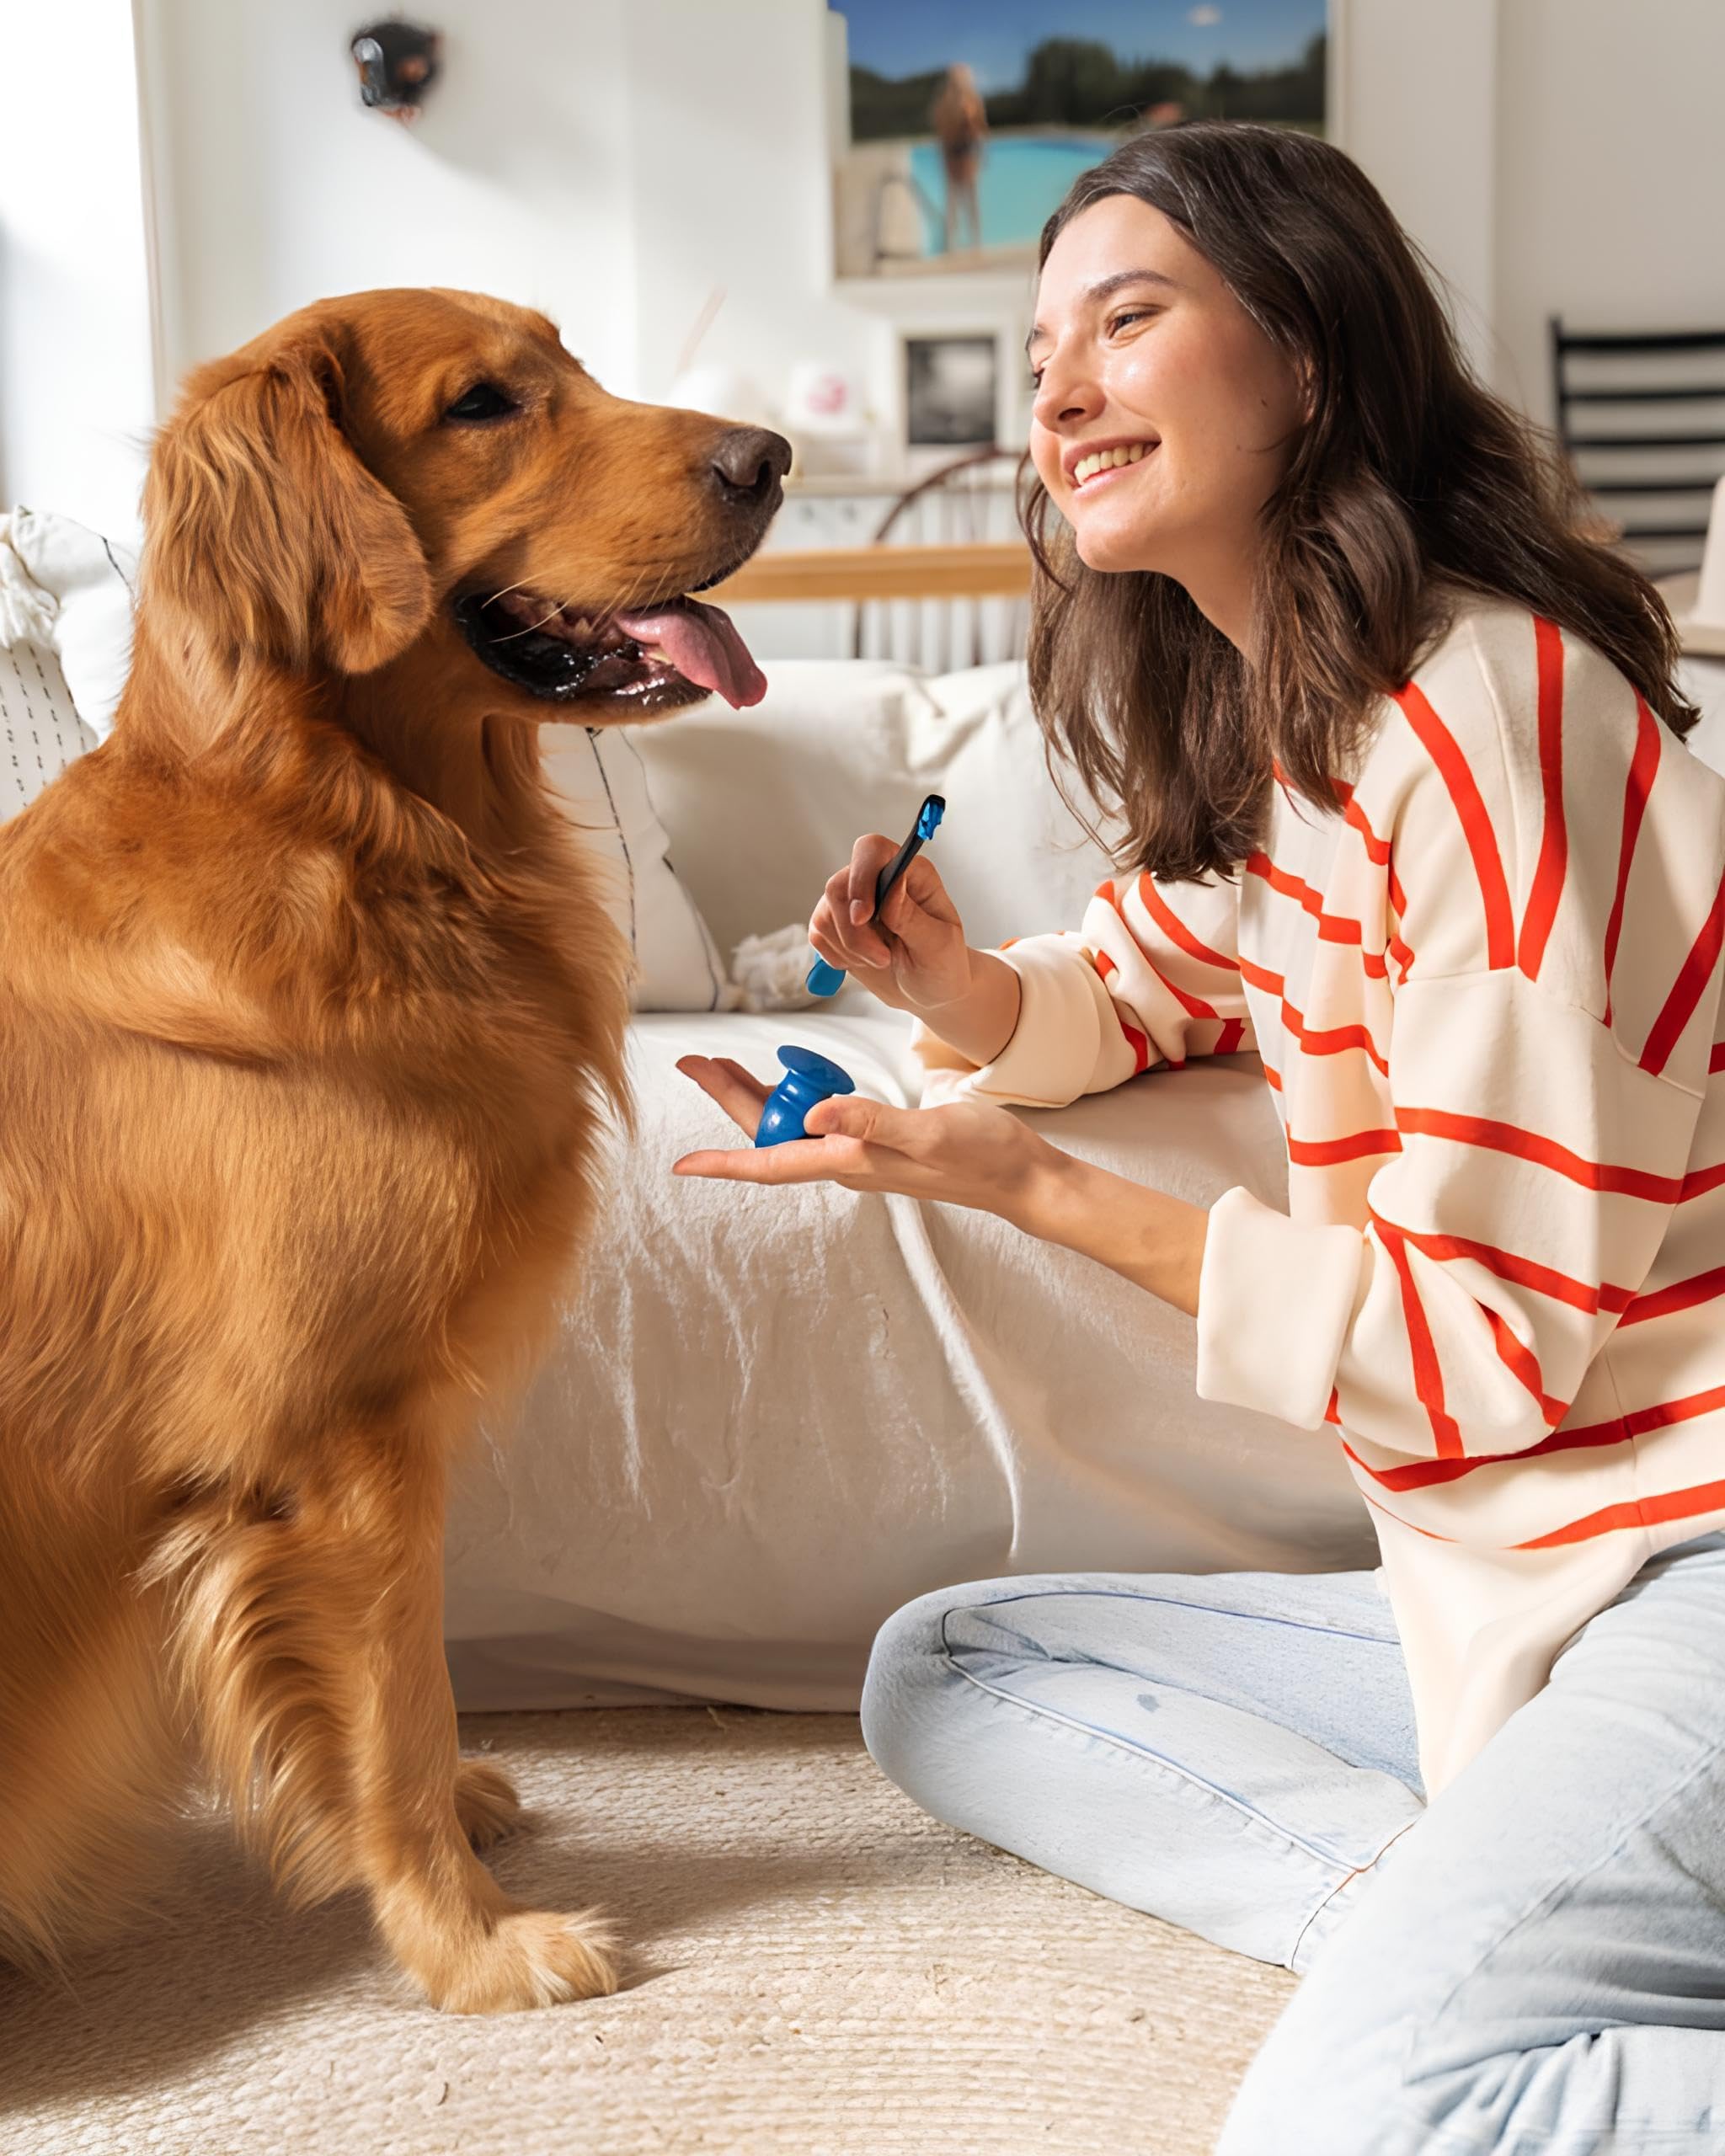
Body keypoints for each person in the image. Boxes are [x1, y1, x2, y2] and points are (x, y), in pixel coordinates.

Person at [673, 120, 1725, 2153]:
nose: (1054, 389)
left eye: (1124, 320)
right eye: (1040, 337)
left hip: (1674, 1549)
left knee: (1374, 2121)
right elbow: (1162, 970)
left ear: (1310, 357)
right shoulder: (1308, 723)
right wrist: (959, 997)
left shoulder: (1487, 717)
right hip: (1495, 1578)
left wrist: (1023, 1181)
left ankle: (1462, 1975)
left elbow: (1475, 1352)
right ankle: (1440, 1921)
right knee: (953, 1661)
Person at [930, 62, 985, 253]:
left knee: (969, 199)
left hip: (966, 153)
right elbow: (942, 131)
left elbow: (979, 129)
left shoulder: (972, 101)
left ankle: (975, 241)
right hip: (953, 154)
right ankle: (953, 242)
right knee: (954, 200)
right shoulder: (946, 103)